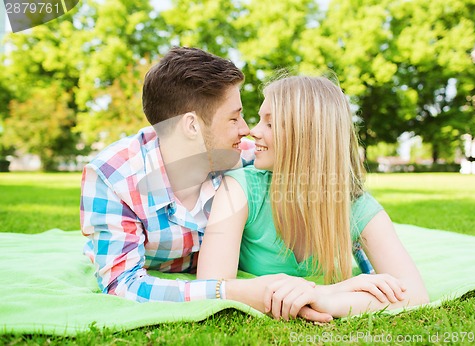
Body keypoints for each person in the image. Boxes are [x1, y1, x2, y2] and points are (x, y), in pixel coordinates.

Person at [80, 47, 335, 322]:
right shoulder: (113, 177)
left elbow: (313, 169)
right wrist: (232, 291)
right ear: (192, 126)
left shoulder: (246, 158)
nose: (246, 129)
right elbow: (123, 286)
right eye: (234, 117)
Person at [197, 76, 429, 319]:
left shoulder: (355, 205)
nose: (253, 131)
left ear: (308, 136)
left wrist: (325, 299)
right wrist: (331, 290)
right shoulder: (239, 188)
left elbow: (414, 292)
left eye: (270, 124)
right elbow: (211, 284)